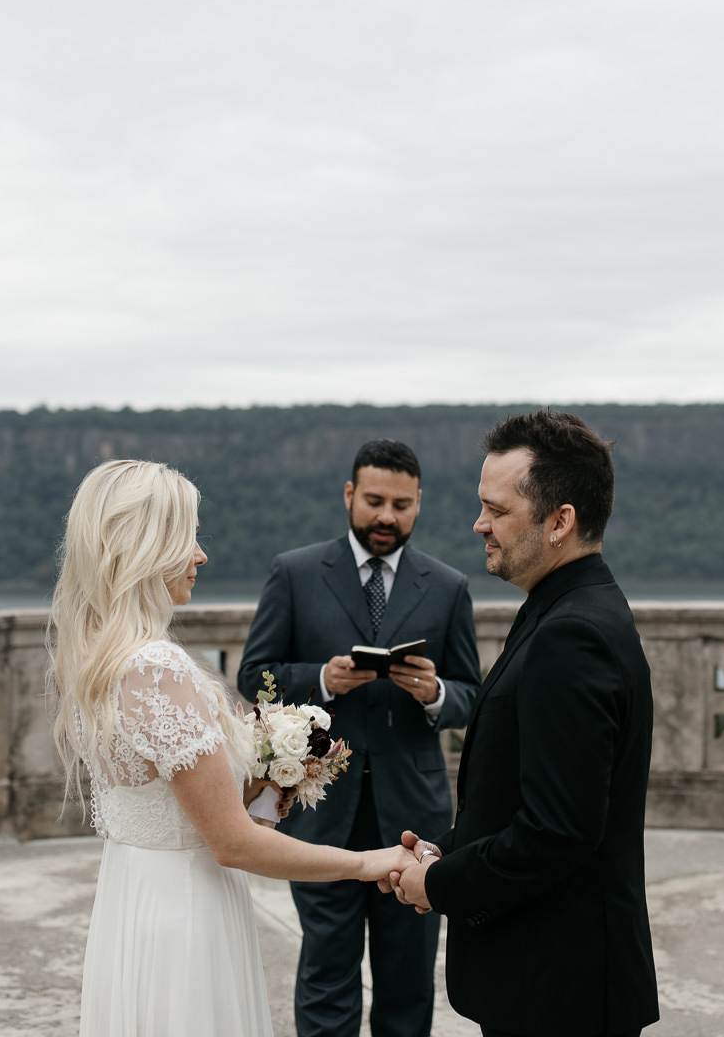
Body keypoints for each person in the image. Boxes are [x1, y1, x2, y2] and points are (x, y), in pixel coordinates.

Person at [52, 459, 412, 1037]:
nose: (201, 556)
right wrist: (368, 863)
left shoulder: (102, 658)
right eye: (188, 538)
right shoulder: (158, 666)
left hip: (135, 899)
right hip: (185, 913)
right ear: (149, 548)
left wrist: (265, 783)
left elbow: (175, 802)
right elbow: (233, 843)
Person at [384, 410, 659, 1037]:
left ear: (560, 521)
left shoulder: (573, 635)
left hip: (561, 988)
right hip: (552, 979)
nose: (478, 524)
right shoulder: (564, 609)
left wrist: (441, 884)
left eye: (497, 510)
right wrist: (441, 849)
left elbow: (558, 831)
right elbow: (525, 795)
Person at [236, 438, 481, 1037]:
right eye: (374, 500)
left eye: (401, 504)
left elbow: (472, 696)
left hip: (414, 821)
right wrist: (320, 677)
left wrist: (434, 694)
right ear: (350, 495)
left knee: (407, 980)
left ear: (418, 504)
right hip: (321, 818)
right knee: (327, 973)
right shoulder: (294, 572)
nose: (386, 517)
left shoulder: (448, 586)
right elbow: (254, 676)